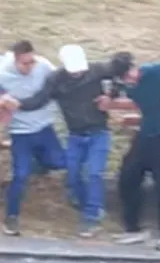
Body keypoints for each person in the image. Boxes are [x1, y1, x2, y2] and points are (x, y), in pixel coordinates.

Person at [0, 45, 133, 238]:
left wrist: (110, 97)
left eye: (80, 69)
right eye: (74, 71)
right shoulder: (56, 80)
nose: (78, 73)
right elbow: (40, 99)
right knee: (73, 175)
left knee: (94, 173)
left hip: (98, 132)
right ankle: (82, 202)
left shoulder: (97, 70)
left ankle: (92, 217)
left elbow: (120, 71)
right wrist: (19, 104)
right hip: (75, 134)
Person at [101, 54, 160, 251]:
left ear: (135, 67)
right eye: (125, 78)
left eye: (131, 74)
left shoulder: (152, 71)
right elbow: (139, 103)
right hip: (145, 136)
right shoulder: (127, 86)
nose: (130, 79)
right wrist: (111, 104)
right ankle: (133, 229)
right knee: (127, 178)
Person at [0, 41, 66, 237]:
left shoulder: (43, 66)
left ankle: (37, 163)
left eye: (32, 62)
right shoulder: (3, 71)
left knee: (59, 162)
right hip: (20, 132)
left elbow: (59, 81)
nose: (30, 67)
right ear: (15, 59)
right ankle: (11, 217)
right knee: (20, 175)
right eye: (25, 64)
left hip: (44, 126)